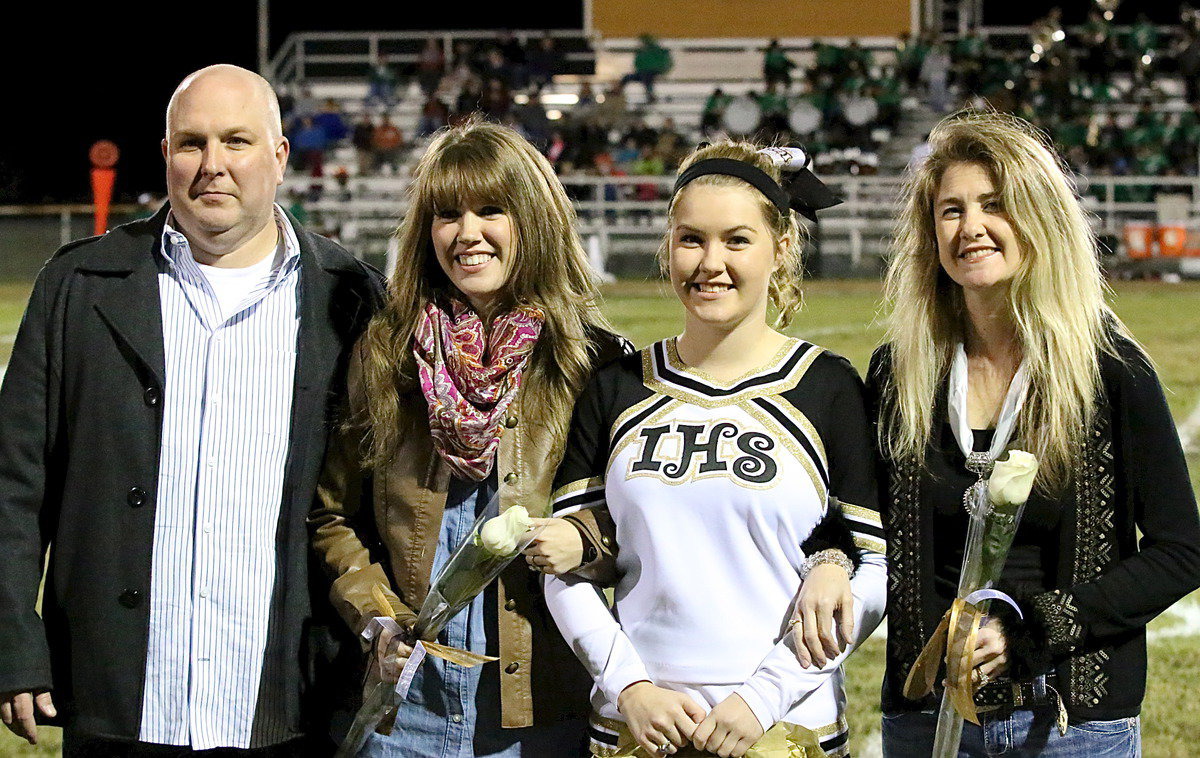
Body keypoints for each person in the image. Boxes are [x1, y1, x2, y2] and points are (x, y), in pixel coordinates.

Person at [0, 64, 385, 754]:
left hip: (289, 706)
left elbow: (379, 502)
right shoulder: (78, 285)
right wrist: (12, 643)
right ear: (166, 155)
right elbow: (12, 487)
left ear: (279, 155)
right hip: (113, 699)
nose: (213, 165)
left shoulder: (354, 299)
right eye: (191, 143)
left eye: (236, 141)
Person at [799, 111, 1200, 755]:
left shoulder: (1108, 370)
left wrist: (1031, 631)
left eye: (995, 205)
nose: (971, 227)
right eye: (951, 210)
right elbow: (853, 517)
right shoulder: (901, 373)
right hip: (926, 721)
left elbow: (1181, 550)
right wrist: (828, 560)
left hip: (1072, 727)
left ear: (1037, 220)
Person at [544, 142, 888, 758]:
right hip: (638, 729)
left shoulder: (828, 386)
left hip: (785, 727)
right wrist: (629, 687)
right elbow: (562, 566)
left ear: (780, 248)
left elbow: (876, 568)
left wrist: (763, 697)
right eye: (690, 239)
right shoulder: (618, 384)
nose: (710, 262)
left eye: (736, 240)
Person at [309, 119, 631, 757]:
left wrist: (585, 541)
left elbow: (637, 521)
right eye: (447, 214)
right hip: (406, 714)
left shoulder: (591, 362)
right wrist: (376, 614)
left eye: (491, 210)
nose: (467, 234)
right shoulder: (386, 353)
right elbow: (332, 515)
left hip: (541, 709)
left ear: (532, 220)